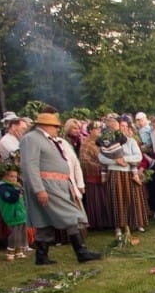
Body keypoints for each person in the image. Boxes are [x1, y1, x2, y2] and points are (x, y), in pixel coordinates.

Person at [18, 107, 101, 264]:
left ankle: (42, 256)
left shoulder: (48, 139)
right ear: (44, 125)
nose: (57, 129)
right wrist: (39, 189)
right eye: (55, 126)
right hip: (47, 185)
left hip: (58, 184)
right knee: (71, 215)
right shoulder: (31, 139)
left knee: (44, 221)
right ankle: (81, 252)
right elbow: (30, 165)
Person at [0, 160, 28, 260]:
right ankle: (11, 252)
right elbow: (11, 199)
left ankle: (19, 250)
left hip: (20, 213)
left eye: (15, 176)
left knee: (22, 233)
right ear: (4, 176)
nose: (14, 179)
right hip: (12, 214)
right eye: (11, 176)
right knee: (15, 234)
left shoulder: (14, 186)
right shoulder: (3, 188)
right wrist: (17, 191)